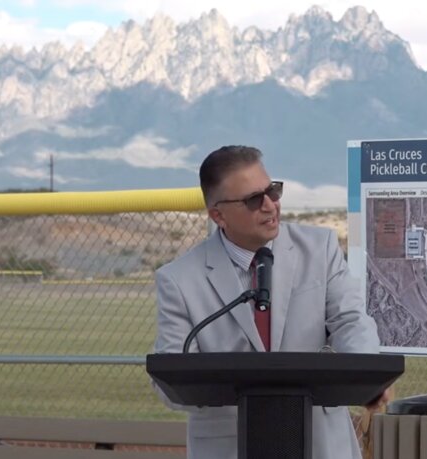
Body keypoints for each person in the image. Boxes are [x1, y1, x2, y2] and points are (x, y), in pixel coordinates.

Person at [153, 145, 384, 459]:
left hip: (320, 444)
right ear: (218, 215)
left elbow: (350, 320)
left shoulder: (320, 248)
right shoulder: (178, 279)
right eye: (252, 200)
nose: (269, 206)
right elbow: (171, 382)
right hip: (229, 446)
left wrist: (365, 376)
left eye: (272, 191)